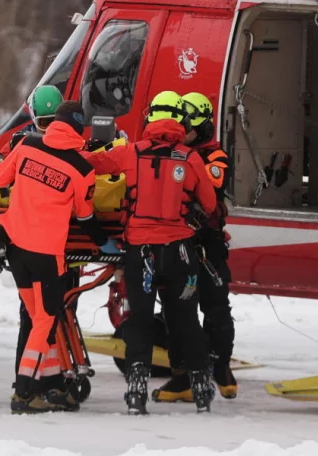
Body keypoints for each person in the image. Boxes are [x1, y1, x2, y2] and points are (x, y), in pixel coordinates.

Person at [85, 90, 217, 415]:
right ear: (181, 121)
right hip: (180, 253)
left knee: (140, 321)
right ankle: (200, 388)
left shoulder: (128, 153)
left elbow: (88, 165)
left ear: (150, 118)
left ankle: (136, 392)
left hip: (140, 252)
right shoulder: (191, 158)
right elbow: (211, 205)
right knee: (186, 320)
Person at [0, 101, 119, 414]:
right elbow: (86, 216)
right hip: (46, 254)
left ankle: (51, 385)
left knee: (38, 321)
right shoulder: (82, 169)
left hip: (15, 246)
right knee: (46, 321)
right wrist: (105, 243)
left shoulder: (26, 145)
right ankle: (23, 394)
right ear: (80, 130)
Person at [152, 92, 238, 403]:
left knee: (215, 306)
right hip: (176, 242)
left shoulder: (214, 158)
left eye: (188, 125)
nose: (183, 130)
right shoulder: (168, 153)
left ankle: (220, 366)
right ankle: (182, 374)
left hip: (207, 243)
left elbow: (207, 194)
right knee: (176, 309)